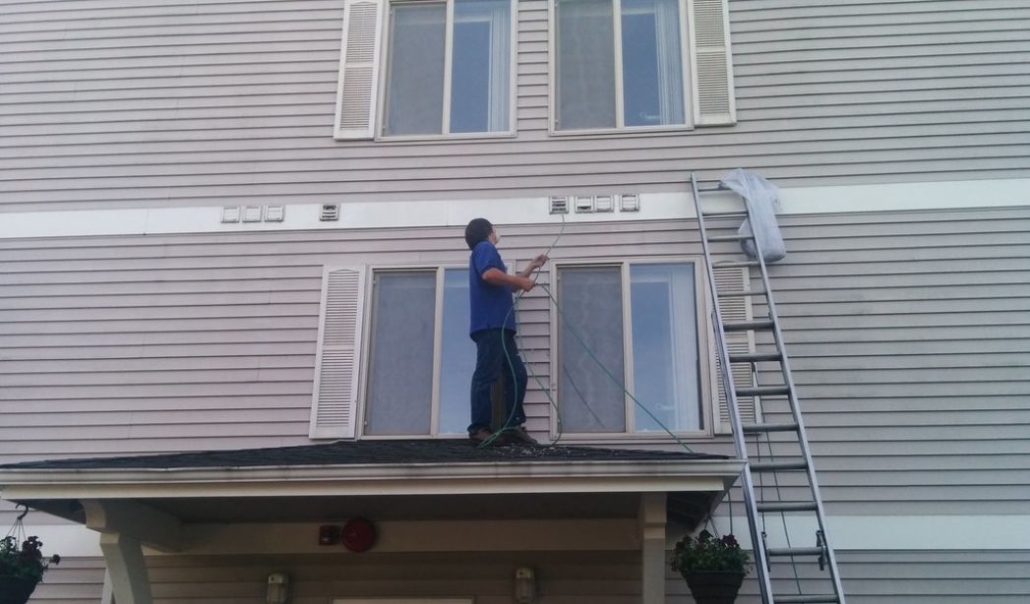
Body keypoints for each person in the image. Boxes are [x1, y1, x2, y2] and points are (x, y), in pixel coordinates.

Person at [464, 218, 547, 445]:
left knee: (517, 374)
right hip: (491, 324)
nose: (496, 233)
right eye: (495, 229)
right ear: (489, 231)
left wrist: (531, 266)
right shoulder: (485, 248)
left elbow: (509, 285)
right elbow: (489, 275)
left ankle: (512, 425)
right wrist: (521, 283)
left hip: (501, 327)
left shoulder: (488, 254)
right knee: (487, 374)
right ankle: (479, 427)